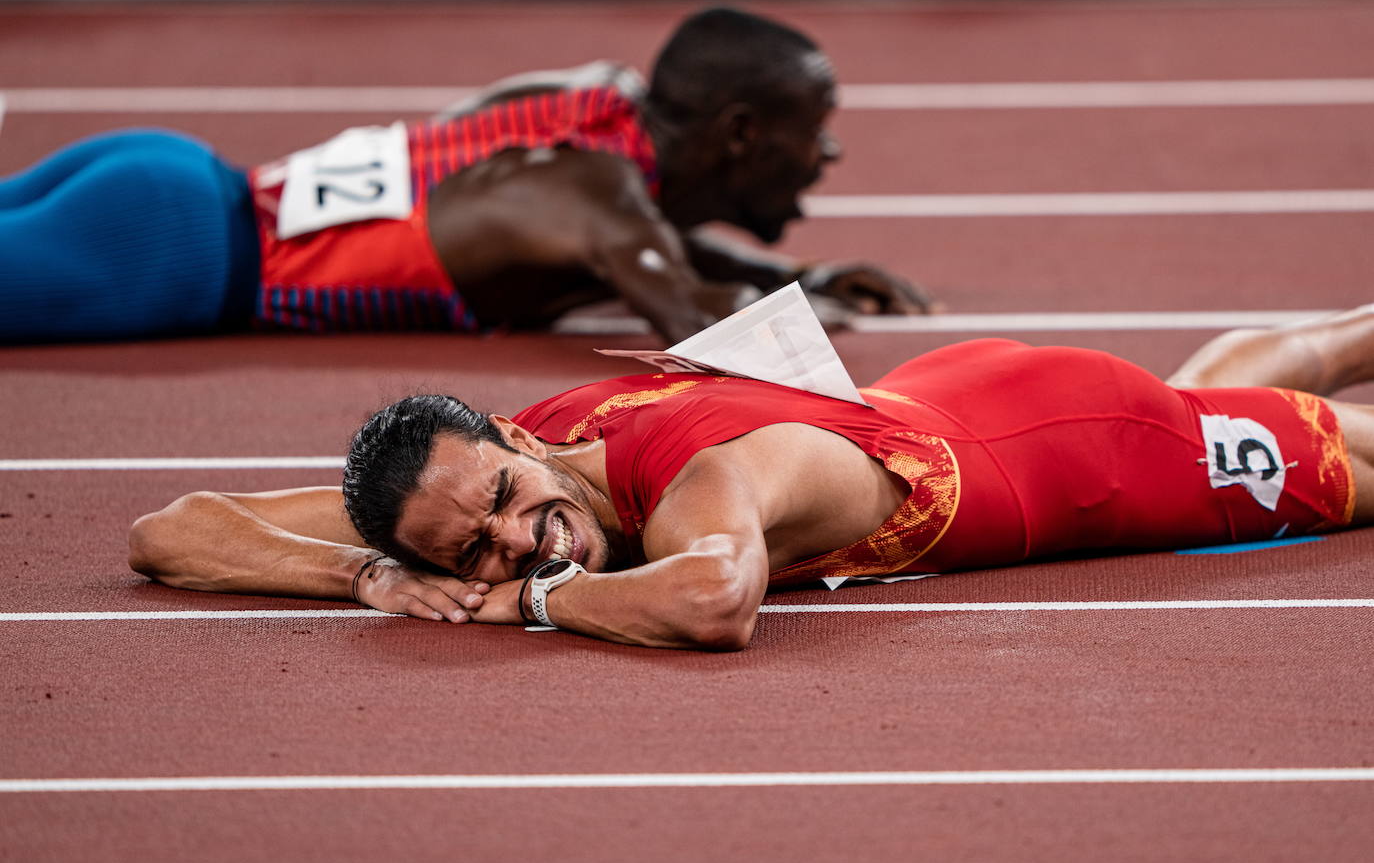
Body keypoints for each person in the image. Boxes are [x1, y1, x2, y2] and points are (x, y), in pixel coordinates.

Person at [129, 307, 1374, 650]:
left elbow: (716, 600)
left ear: (515, 441)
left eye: (506, 505)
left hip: (1093, 452)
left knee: (1337, 461)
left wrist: (536, 605)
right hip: (963, 390)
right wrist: (365, 576)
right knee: (1224, 395)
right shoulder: (516, 454)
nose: (517, 541)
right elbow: (175, 528)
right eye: (471, 554)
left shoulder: (694, 483)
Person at [0, 7, 927, 346]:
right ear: (737, 133)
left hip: (171, 181)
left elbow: (644, 241)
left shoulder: (586, 127)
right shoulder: (598, 196)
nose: (829, 156)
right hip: (173, 254)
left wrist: (791, 278)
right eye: (817, 134)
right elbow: (688, 319)